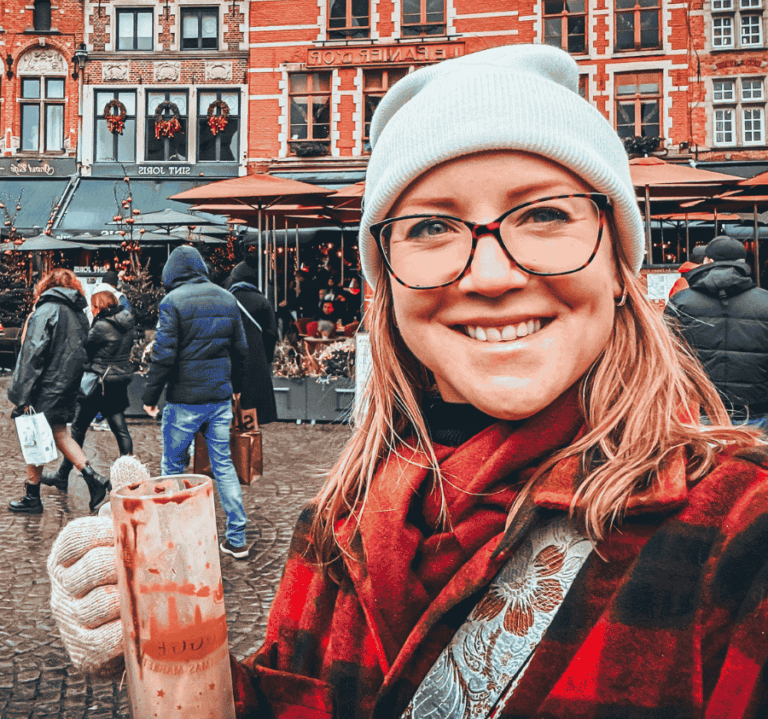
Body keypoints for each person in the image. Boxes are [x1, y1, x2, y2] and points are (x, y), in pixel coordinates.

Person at [46, 46, 768, 716]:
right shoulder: (336, 523)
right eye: (430, 227)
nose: (490, 275)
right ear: (387, 284)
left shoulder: (739, 537)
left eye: (545, 214)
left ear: (620, 265)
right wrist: (174, 660)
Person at [142, 244, 251, 559]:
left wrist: (150, 397)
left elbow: (163, 355)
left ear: (172, 272)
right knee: (223, 465)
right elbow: (241, 351)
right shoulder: (227, 297)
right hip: (218, 397)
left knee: (174, 466)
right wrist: (237, 389)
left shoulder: (172, 302)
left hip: (184, 399)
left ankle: (177, 536)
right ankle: (237, 536)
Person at [7, 269, 111, 514]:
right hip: (66, 385)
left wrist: (21, 396)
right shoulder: (79, 314)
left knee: (35, 435)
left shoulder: (45, 311)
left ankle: (33, 496)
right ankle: (92, 478)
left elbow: (31, 353)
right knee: (60, 435)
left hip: (45, 386)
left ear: (46, 286)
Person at [665, 234, 768, 424]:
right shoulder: (765, 302)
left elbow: (665, 358)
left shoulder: (681, 302)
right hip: (756, 415)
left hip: (699, 413)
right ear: (742, 262)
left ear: (706, 261)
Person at [40, 289, 135, 492]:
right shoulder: (127, 323)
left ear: (98, 307)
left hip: (97, 384)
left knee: (77, 429)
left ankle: (63, 475)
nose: (91, 310)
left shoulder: (101, 326)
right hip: (116, 382)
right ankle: (130, 477)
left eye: (93, 306)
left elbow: (83, 349)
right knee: (120, 429)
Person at [227, 267, 279, 426]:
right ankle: (249, 436)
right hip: (256, 358)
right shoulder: (262, 301)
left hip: (231, 358)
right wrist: (267, 357)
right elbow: (271, 333)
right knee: (253, 403)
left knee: (232, 405)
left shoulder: (226, 299)